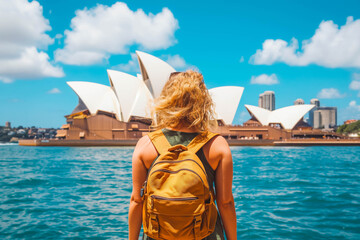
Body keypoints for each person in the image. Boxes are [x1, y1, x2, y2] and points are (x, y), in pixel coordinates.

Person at [128, 70, 237, 240]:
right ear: (203, 101)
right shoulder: (217, 145)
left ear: (167, 100)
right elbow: (226, 203)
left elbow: (136, 201)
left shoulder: (145, 145)